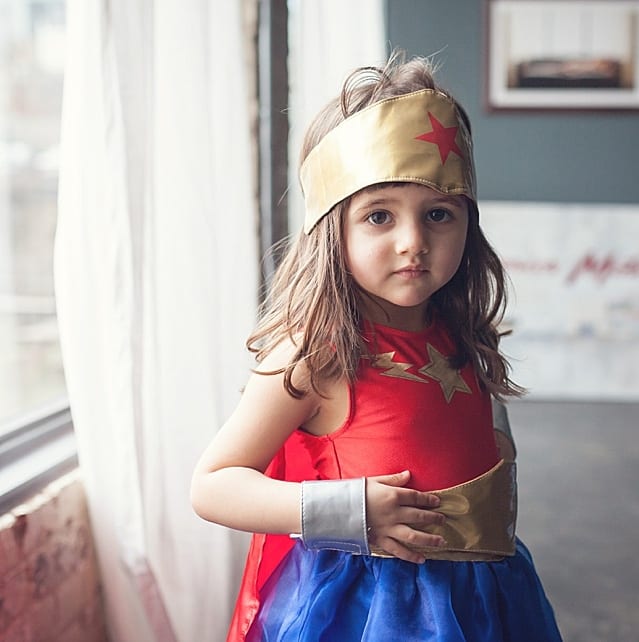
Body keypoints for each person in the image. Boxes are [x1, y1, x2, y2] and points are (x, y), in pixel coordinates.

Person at [191, 52, 562, 642]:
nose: (413, 242)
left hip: (484, 599)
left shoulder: (463, 333)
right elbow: (213, 484)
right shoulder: (314, 353)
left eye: (438, 214)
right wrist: (349, 511)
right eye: (379, 217)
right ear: (331, 229)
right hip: (369, 612)